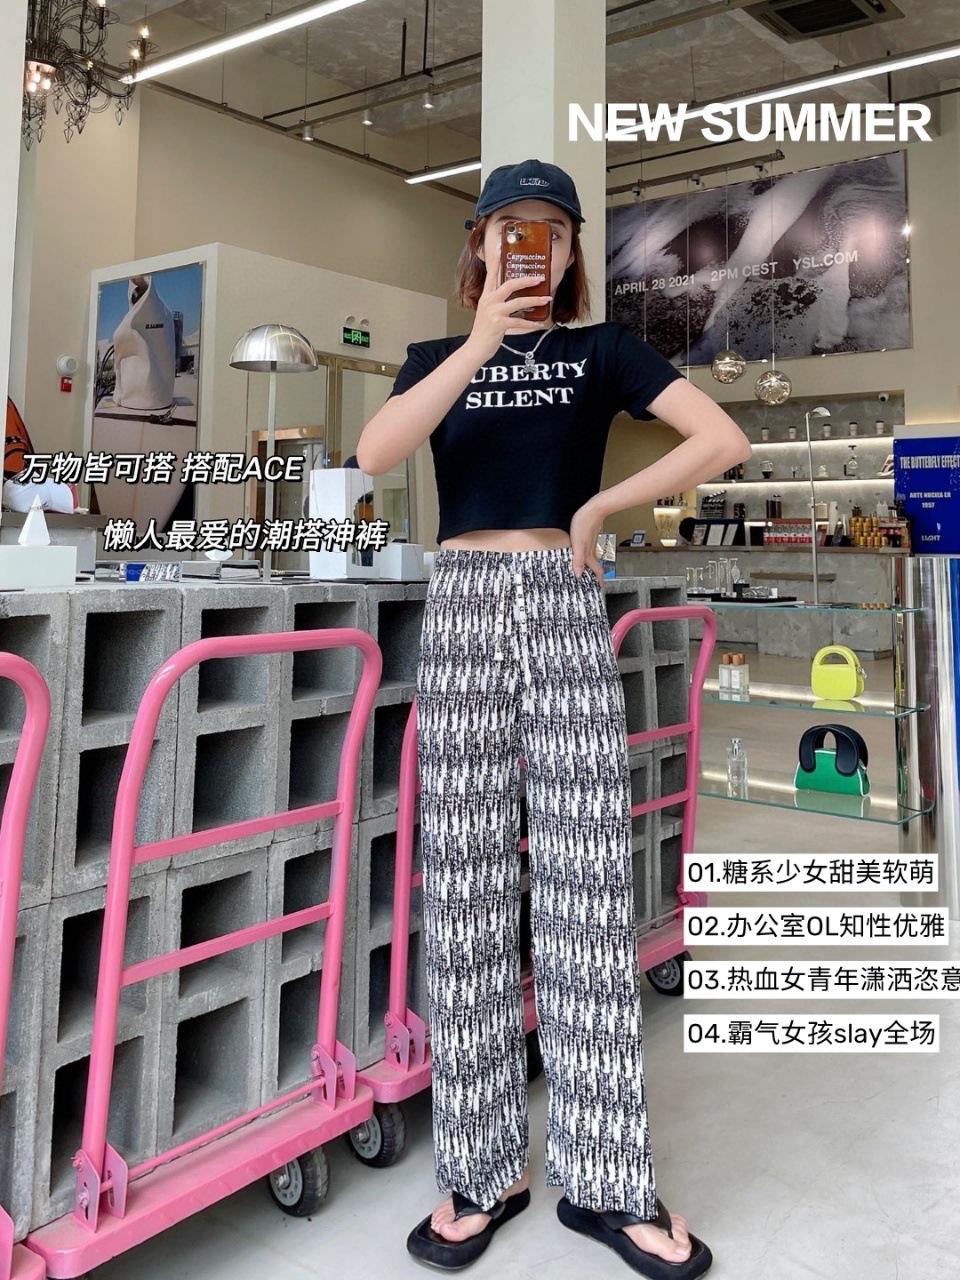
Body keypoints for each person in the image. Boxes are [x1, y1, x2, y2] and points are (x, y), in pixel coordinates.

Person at [355, 158, 751, 1279]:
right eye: (507, 227)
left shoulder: (603, 351)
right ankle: (481, 1168)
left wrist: (600, 506)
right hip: (461, 601)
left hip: (563, 594)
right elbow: (375, 454)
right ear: (479, 243)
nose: (528, 244)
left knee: (587, 884)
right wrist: (480, 340)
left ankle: (608, 1180)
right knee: (465, 883)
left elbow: (720, 439)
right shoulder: (435, 358)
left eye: (550, 230)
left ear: (572, 250)